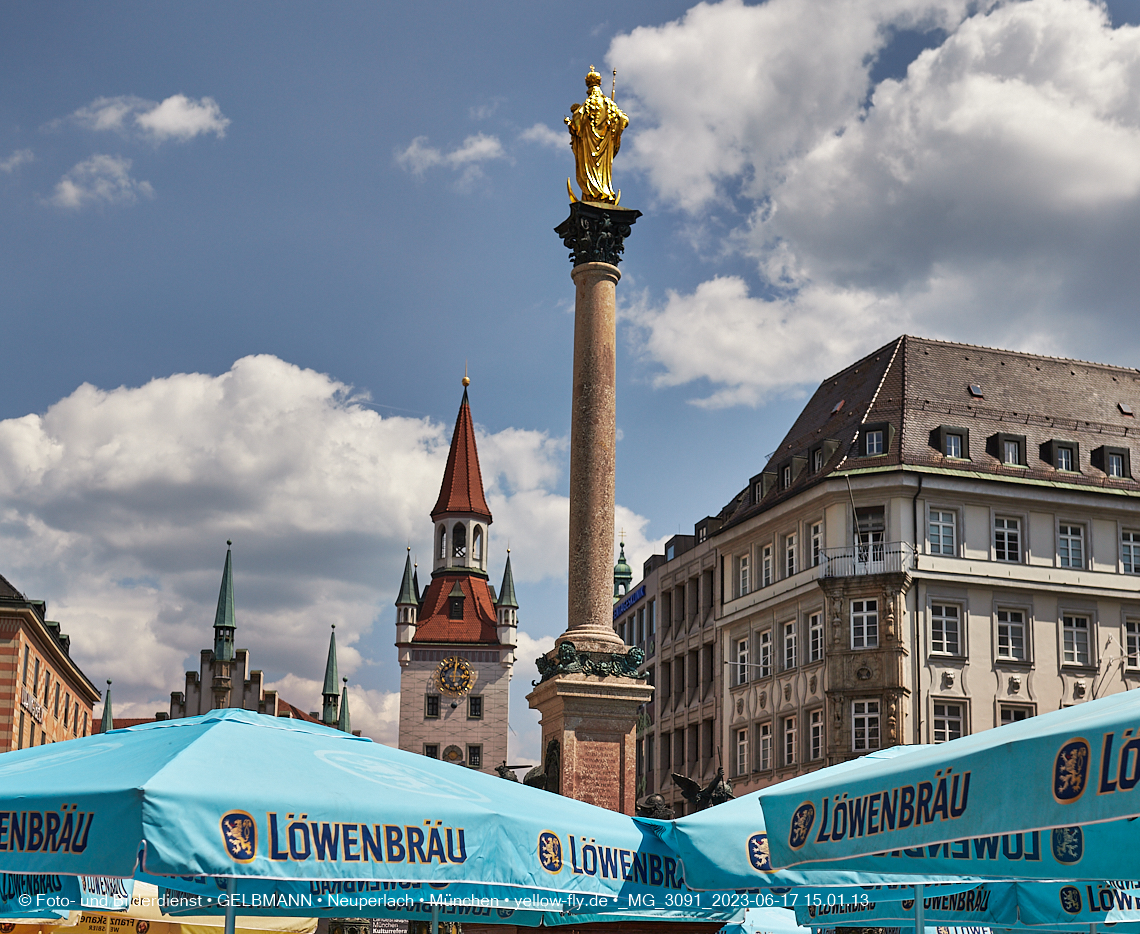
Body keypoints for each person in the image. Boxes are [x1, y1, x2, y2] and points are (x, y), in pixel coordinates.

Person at [566, 66, 629, 204]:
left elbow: (577, 123)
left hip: (589, 149)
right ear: (599, 83)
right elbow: (624, 120)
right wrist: (614, 127)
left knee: (591, 171)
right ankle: (604, 191)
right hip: (605, 148)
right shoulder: (609, 104)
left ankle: (592, 194)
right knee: (602, 175)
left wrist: (570, 124)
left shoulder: (587, 105)